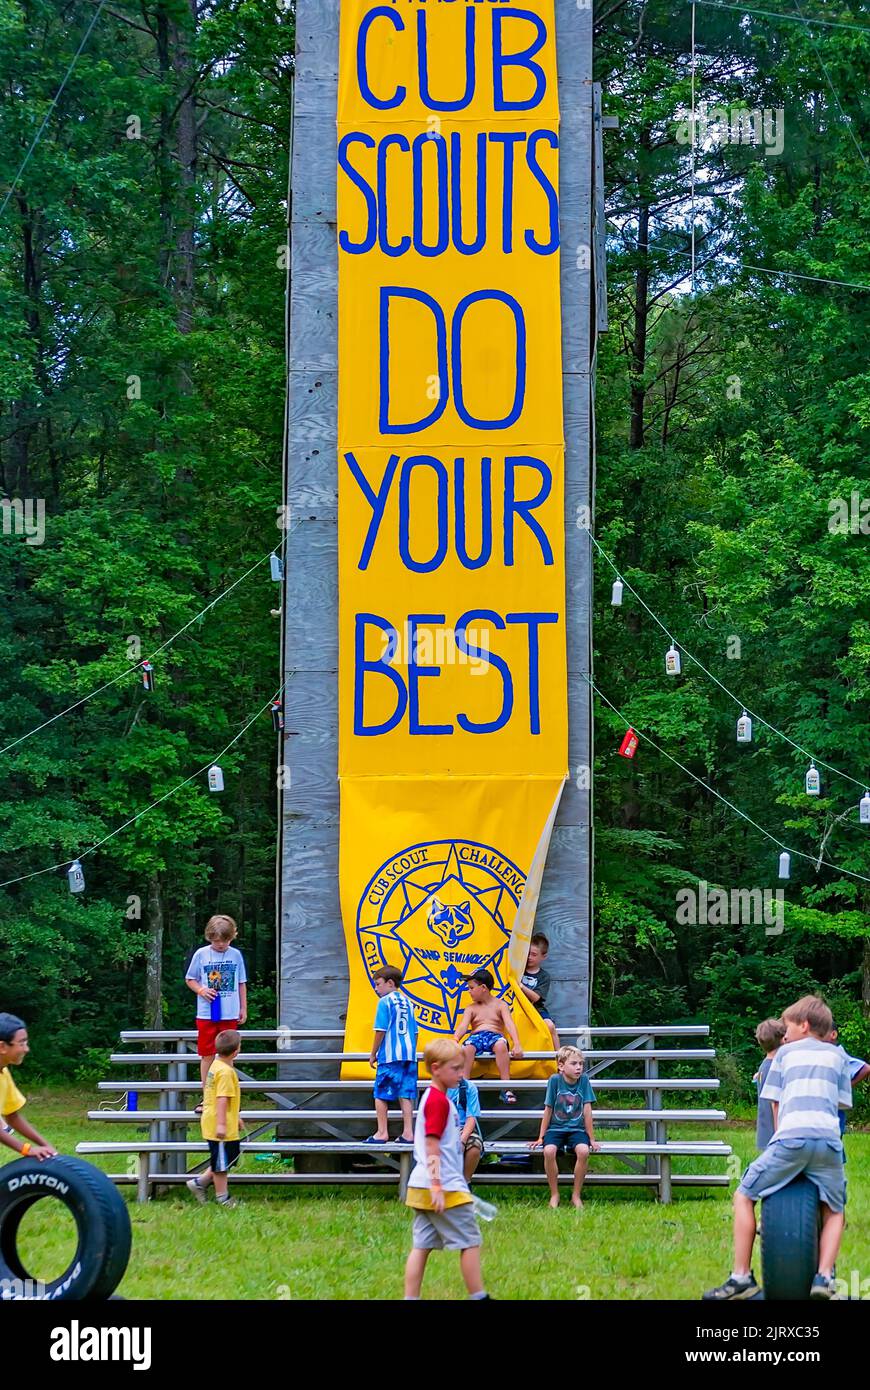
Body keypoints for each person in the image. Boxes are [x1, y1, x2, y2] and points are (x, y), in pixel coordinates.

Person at [703, 995, 852, 1301]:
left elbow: (775, 1103)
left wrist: (779, 1141)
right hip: (828, 1142)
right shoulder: (838, 1057)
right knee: (835, 1210)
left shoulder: (783, 1055)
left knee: (744, 1195)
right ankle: (824, 1276)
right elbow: (841, 1104)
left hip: (791, 1137)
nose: (784, 1034)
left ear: (805, 1025)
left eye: (788, 1027)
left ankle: (740, 1277)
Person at [404, 1039, 490, 1301]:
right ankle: (479, 1296)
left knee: (422, 1246)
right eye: (455, 1069)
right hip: (442, 1185)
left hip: (420, 1185)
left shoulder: (434, 1098)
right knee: (470, 1241)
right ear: (436, 1068)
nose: (461, 1074)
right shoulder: (438, 1102)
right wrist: (438, 1185)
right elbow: (431, 1145)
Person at [185, 914, 248, 1104]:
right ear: (210, 937)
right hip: (206, 1014)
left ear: (232, 937)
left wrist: (243, 1007)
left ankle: (226, 1095)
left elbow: (241, 982)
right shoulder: (201, 954)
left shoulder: (235, 955)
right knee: (207, 1054)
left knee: (228, 1054)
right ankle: (207, 1097)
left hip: (229, 1013)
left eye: (225, 940)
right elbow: (190, 979)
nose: (221, 945)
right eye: (217, 941)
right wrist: (202, 990)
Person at [530, 1044, 599, 1208]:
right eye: (574, 1064)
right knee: (549, 1151)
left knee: (583, 1151)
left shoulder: (584, 1081)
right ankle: (554, 1194)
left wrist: (592, 1138)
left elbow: (587, 1110)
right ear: (561, 1066)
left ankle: (576, 1195)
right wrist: (541, 1136)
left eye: (581, 1064)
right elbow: (548, 1109)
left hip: (577, 1129)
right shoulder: (554, 1081)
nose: (579, 1068)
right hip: (556, 1128)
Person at [186, 1030, 245, 1208]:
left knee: (230, 1155)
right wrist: (221, 1124)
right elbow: (221, 1099)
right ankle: (222, 1197)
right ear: (236, 1052)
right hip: (219, 1124)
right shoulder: (226, 1072)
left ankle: (199, 1183)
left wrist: (236, 1117)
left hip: (223, 1120)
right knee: (221, 1164)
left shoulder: (215, 1065)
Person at [454, 969, 523, 1104]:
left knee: (501, 1045)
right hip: (476, 1037)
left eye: (471, 988)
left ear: (483, 988)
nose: (469, 991)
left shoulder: (501, 1005)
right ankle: (464, 1087)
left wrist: (517, 1043)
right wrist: (455, 1039)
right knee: (467, 1048)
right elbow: (463, 1026)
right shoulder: (471, 1008)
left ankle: (506, 1087)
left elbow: (509, 1024)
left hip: (495, 1036)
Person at [367, 965, 418, 1144]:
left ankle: (382, 1132)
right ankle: (408, 1132)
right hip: (409, 1055)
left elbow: (380, 1030)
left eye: (378, 984)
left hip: (390, 1056)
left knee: (381, 1094)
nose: (376, 988)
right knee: (406, 1093)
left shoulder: (385, 1002)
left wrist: (373, 1053)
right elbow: (416, 1031)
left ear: (390, 983)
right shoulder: (408, 1002)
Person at [0, 1013, 57, 1161]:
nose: (26, 1049)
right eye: (22, 1043)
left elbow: (12, 1116)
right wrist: (26, 1149)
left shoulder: (3, 1072)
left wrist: (48, 1148)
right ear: (2, 1046)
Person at [519, 933, 560, 1050]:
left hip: (536, 1009)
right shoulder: (518, 970)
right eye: (528, 953)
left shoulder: (544, 976)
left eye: (534, 954)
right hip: (518, 1007)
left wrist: (520, 986)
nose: (529, 957)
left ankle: (560, 1057)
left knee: (550, 1026)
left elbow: (536, 997)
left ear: (543, 956)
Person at [753, 1016, 786, 1150]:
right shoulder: (775, 1068)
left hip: (765, 1131)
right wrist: (780, 1134)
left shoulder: (764, 1066)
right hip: (774, 1132)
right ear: (783, 1039)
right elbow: (775, 1103)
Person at [447, 1074, 484, 1181]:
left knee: (474, 1147)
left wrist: (462, 1140)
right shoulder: (437, 1089)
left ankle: (464, 1183)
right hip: (444, 1128)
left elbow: (471, 1117)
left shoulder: (469, 1087)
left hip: (465, 1127)